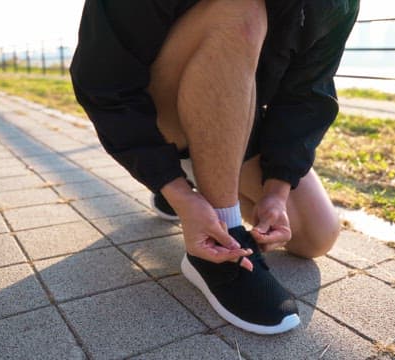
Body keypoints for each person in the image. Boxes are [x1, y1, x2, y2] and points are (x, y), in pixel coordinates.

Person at [71, 0, 359, 334]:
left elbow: (307, 96)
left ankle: (196, 184)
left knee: (316, 236)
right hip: (159, 114)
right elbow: (102, 83)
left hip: (234, 118)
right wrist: (174, 188)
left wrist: (276, 193)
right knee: (241, 9)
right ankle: (220, 240)